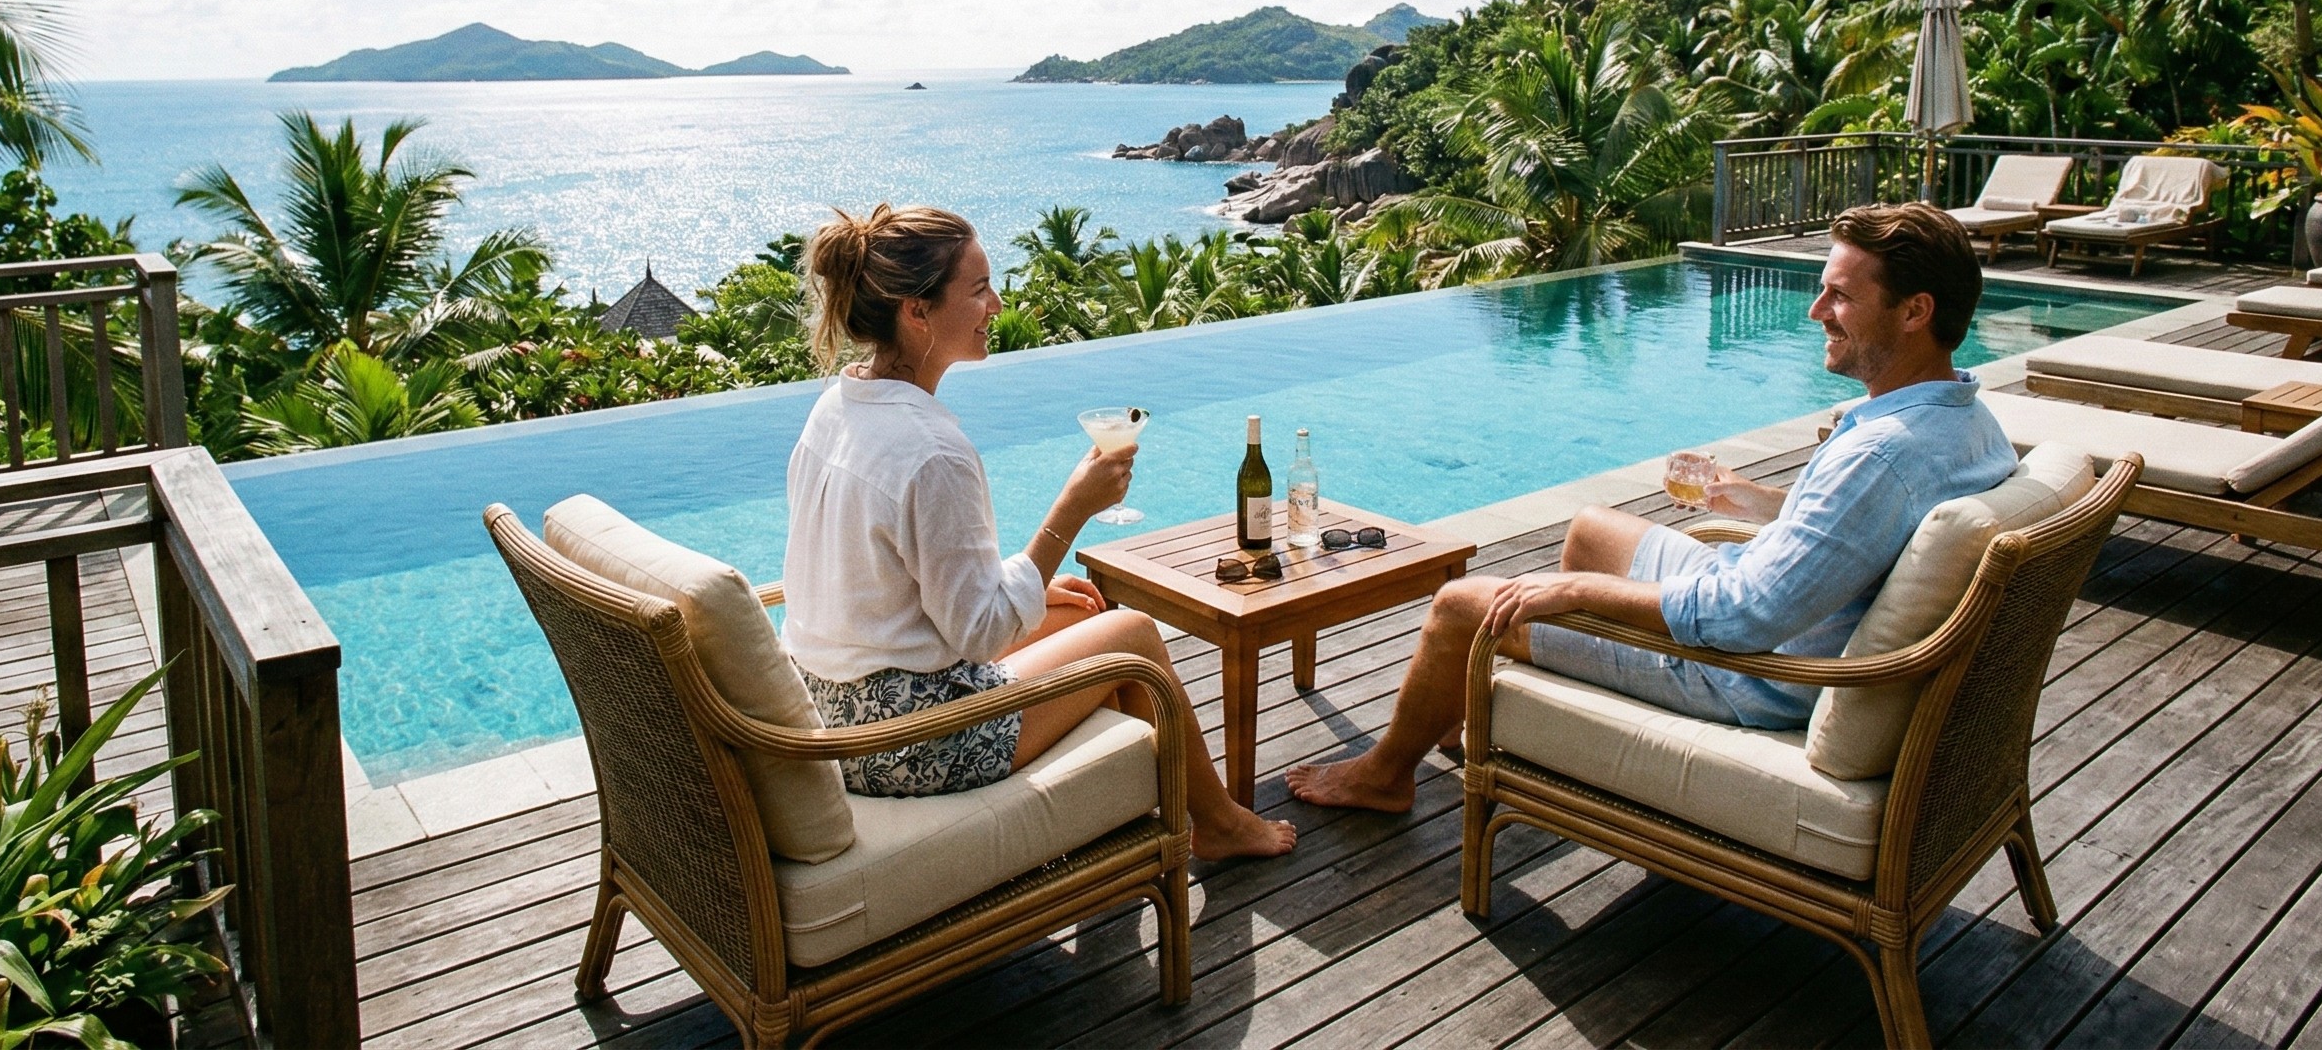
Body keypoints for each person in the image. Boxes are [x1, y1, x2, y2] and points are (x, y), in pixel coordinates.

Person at [1289, 202, 2015, 813]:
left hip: (1749, 671)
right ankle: (1485, 714)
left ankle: (1385, 776)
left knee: (1463, 607)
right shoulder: (1962, 420)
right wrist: (1752, 499)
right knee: (1592, 530)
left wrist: (1578, 593)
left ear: (1915, 311)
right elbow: (1855, 534)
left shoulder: (1881, 455)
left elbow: (1745, 617)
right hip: (1774, 606)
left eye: (1841, 297)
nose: (1817, 311)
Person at [781, 203, 1297, 860]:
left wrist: (1026, 586)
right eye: (978, 290)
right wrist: (1073, 509)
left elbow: (894, 580)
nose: (996, 304)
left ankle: (1120, 821)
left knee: (1080, 610)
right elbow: (981, 634)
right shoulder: (931, 452)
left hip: (830, 713)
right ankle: (1219, 823)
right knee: (1134, 636)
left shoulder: (838, 407)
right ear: (917, 311)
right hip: (908, 741)